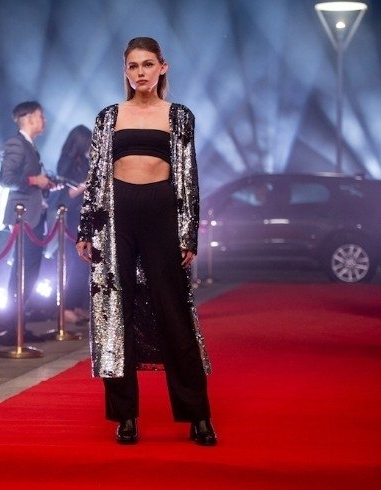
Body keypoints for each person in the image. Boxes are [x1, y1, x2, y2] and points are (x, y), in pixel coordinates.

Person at [75, 37, 216, 446]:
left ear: (162, 67)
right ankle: (125, 417)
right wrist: (86, 229)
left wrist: (188, 232)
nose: (140, 72)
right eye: (133, 66)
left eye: (148, 64)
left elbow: (188, 176)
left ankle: (198, 416)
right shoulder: (108, 117)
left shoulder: (179, 116)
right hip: (116, 216)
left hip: (161, 214)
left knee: (174, 314)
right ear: (125, 71)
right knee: (115, 314)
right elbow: (96, 175)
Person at [0, 101, 55, 330]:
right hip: (24, 217)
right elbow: (6, 179)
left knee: (29, 270)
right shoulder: (16, 144)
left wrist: (45, 184)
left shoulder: (30, 145)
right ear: (30, 118)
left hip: (33, 214)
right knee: (23, 270)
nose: (44, 120)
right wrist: (35, 180)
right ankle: (12, 325)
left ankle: (17, 324)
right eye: (41, 116)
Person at [54, 125, 92, 324]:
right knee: (75, 262)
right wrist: (86, 184)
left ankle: (77, 304)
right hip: (72, 216)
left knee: (85, 263)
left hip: (86, 213)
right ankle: (67, 306)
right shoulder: (66, 163)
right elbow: (65, 194)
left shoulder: (85, 161)